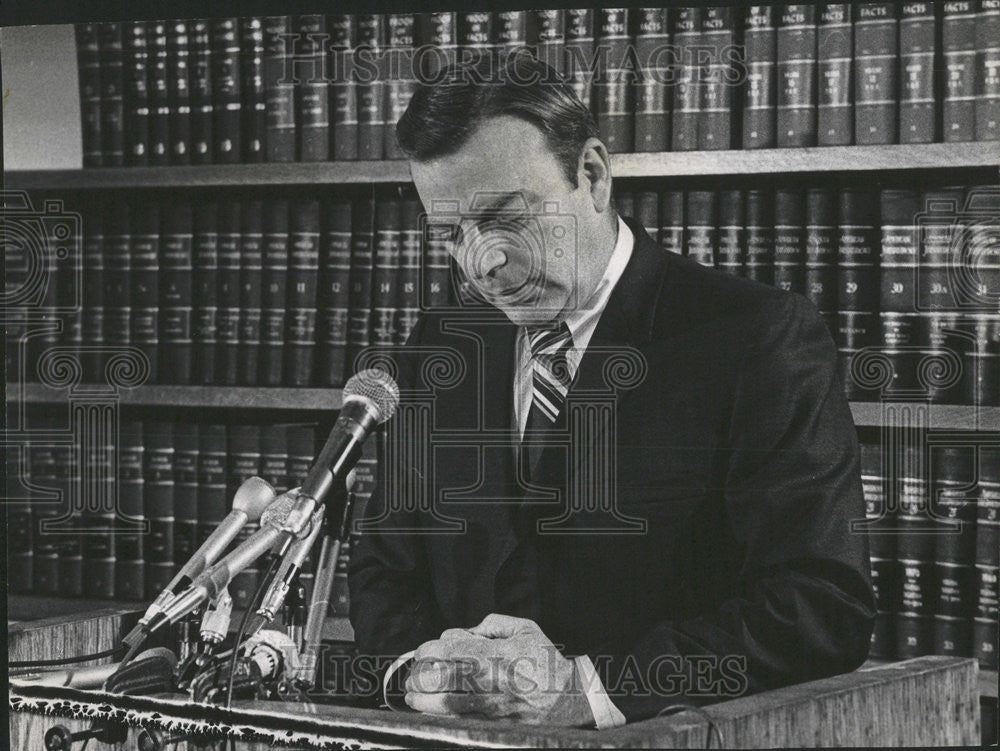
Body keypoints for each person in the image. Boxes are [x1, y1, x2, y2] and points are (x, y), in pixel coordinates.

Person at [348, 52, 875, 728]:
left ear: (592, 174)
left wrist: (585, 689)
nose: (486, 263)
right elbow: (383, 571)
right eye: (452, 234)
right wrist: (421, 675)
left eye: (507, 216)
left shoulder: (757, 336)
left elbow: (821, 606)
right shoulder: (440, 345)